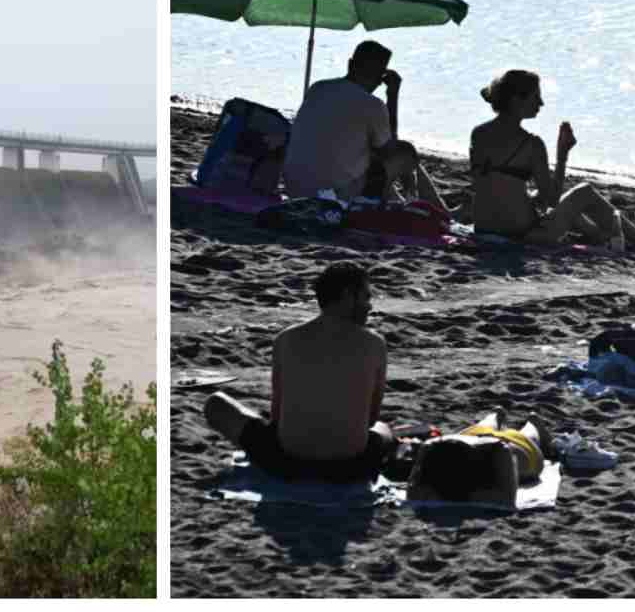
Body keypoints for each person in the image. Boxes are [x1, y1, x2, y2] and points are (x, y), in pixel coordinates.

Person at [204, 262, 395, 482]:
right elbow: (371, 419)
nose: (369, 306)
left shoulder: (286, 339)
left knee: (216, 404)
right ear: (347, 295)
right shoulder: (374, 343)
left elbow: (277, 417)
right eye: (366, 297)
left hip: (285, 463)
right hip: (351, 467)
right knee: (383, 429)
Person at [469, 69, 635, 249]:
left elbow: (493, 183)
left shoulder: (478, 134)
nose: (541, 103)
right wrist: (562, 154)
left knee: (556, 202)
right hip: (525, 235)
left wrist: (532, 198)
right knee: (584, 192)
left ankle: (603, 236)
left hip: (485, 228)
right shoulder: (531, 144)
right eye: (535, 97)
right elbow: (552, 200)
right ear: (516, 100)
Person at [283, 40, 444, 208]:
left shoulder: (318, 88)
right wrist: (393, 96)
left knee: (368, 158)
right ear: (381, 76)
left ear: (350, 64)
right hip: (335, 195)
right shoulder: (372, 105)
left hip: (295, 188)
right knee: (405, 153)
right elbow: (390, 149)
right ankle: (415, 204)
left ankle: (409, 202)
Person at [406, 409, 557, 506]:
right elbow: (426, 449)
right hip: (471, 436)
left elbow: (507, 500)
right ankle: (501, 417)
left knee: (528, 436)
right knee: (520, 434)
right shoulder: (433, 456)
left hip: (507, 444)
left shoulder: (500, 464)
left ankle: (521, 422)